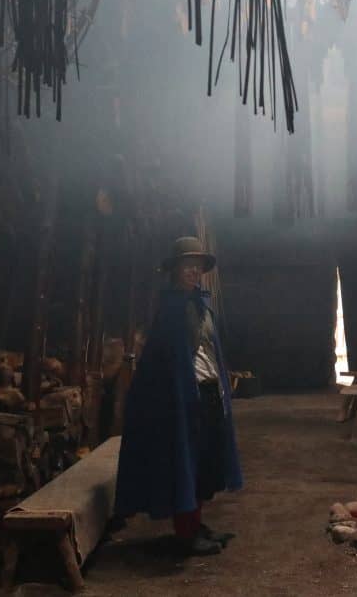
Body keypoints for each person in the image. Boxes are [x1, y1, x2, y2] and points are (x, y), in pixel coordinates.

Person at [115, 236, 243, 555]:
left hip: (208, 393)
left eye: (197, 267)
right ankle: (185, 533)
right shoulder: (171, 310)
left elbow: (211, 351)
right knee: (187, 463)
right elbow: (165, 363)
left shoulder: (201, 305)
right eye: (187, 266)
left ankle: (195, 524)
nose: (193, 272)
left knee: (204, 465)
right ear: (175, 271)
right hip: (185, 399)